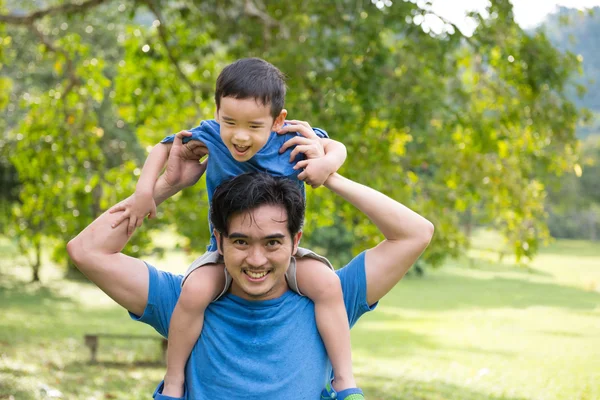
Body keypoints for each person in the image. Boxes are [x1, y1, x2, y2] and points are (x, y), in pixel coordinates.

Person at [67, 130, 435, 399]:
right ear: (219, 240)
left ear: (296, 241)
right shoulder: (185, 302)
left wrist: (328, 174)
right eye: (241, 242)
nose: (256, 260)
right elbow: (87, 251)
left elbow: (415, 233)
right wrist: (161, 187)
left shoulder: (330, 296)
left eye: (273, 242)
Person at [107, 57, 357, 398]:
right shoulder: (209, 134)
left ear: (277, 119)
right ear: (216, 112)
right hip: (225, 254)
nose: (239, 137)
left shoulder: (291, 138)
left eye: (254, 126)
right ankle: (175, 382)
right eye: (229, 122)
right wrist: (143, 192)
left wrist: (326, 165)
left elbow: (336, 147)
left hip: (281, 253)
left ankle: (344, 382)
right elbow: (163, 150)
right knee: (193, 292)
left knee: (328, 284)